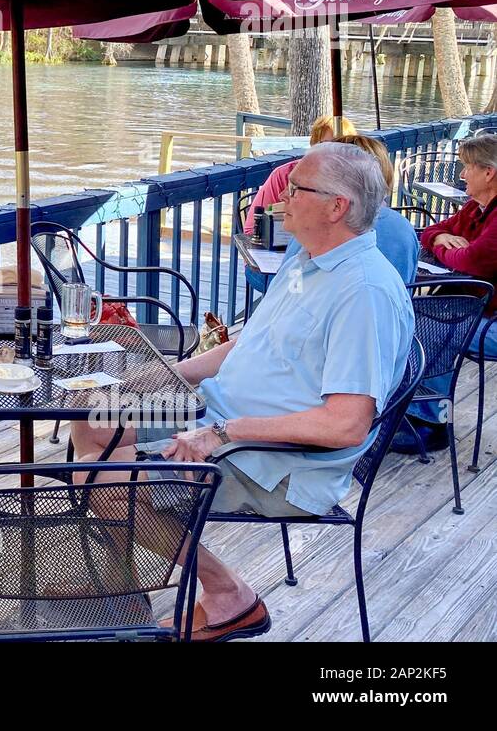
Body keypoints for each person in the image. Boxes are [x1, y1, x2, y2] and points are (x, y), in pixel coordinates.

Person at [71, 143, 413, 642]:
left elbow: (345, 425)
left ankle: (230, 593)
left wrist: (221, 434)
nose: (282, 196)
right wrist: (164, 375)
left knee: (100, 480)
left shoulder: (363, 293)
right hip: (217, 412)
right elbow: (244, 345)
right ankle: (130, 569)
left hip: (274, 461)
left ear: (336, 207)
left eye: (298, 188)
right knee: (94, 412)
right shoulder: (307, 259)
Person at [416, 133, 497, 446]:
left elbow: (471, 262)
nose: (462, 175)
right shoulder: (476, 208)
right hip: (479, 309)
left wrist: (446, 250)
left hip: (492, 321)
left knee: (433, 329)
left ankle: (431, 425)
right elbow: (433, 230)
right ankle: (414, 410)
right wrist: (439, 240)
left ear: (488, 173)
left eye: (467, 167)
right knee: (417, 315)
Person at [282, 135, 418, 284]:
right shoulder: (403, 228)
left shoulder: (313, 229)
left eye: (294, 188)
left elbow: (290, 285)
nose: (282, 195)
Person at [244, 115, 357, 235]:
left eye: (341, 146)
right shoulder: (285, 174)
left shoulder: (356, 180)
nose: (333, 152)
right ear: (313, 145)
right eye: (326, 145)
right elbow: (253, 228)